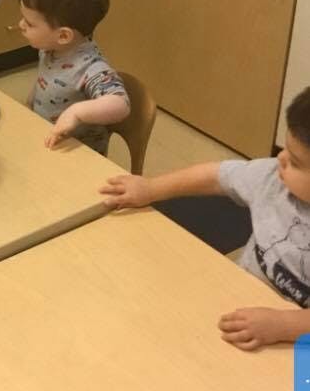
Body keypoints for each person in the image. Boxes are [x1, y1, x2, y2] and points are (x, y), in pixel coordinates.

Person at [100, 87, 310, 351]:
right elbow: (215, 176)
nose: (280, 158)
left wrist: (283, 325)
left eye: (296, 161)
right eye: (285, 149)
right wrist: (150, 188)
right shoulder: (272, 179)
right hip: (237, 300)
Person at [19, 0, 129, 152]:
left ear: (63, 36)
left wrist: (77, 113)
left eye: (29, 23)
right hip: (47, 139)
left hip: (78, 155)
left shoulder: (90, 68)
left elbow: (120, 104)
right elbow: (46, 82)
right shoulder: (50, 48)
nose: (21, 26)